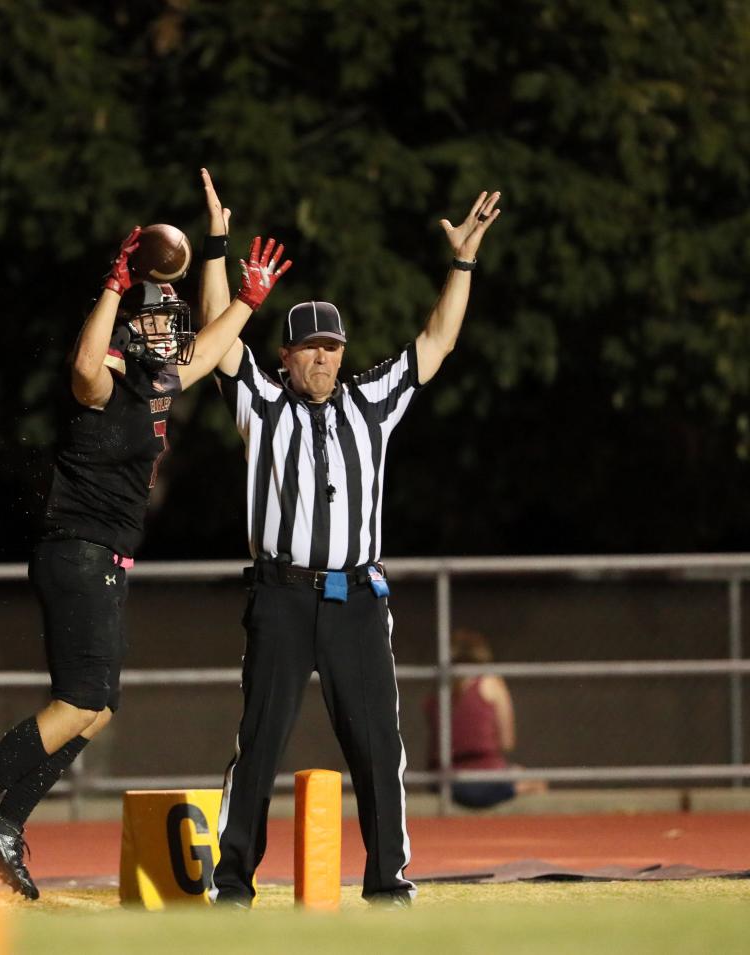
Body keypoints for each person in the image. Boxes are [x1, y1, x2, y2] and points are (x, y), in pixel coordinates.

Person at [0, 209, 291, 900]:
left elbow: (210, 350)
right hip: (78, 550)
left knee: (99, 708)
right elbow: (84, 367)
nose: (167, 329)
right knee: (79, 700)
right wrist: (115, 287)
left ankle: (6, 816)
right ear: (127, 322)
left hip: (108, 559)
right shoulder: (108, 379)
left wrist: (247, 299)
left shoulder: (159, 380)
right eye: (152, 318)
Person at [197, 168, 501, 907]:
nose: (325, 357)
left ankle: (389, 881)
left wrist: (462, 261)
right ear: (287, 357)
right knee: (260, 742)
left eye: (332, 346)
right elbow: (215, 340)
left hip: (358, 599)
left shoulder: (372, 400)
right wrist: (215, 246)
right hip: (281, 596)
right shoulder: (261, 404)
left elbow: (437, 339)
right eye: (311, 348)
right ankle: (232, 884)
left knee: (378, 747)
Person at [424, 628, 547, 809]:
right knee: (535, 782)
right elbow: (507, 742)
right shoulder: (491, 682)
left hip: (443, 781)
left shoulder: (439, 688)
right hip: (485, 779)